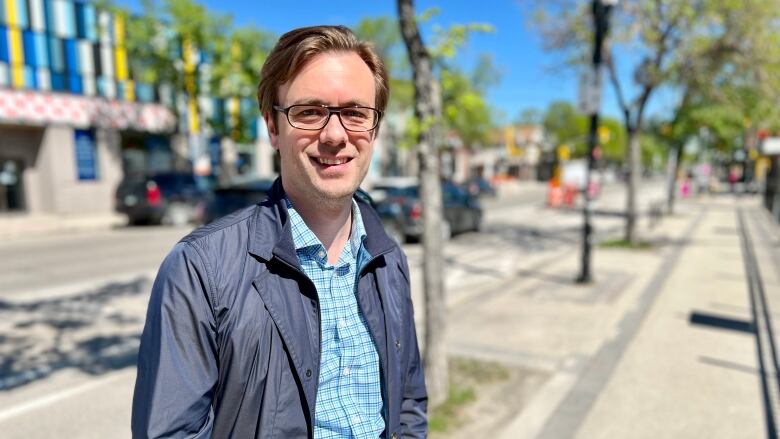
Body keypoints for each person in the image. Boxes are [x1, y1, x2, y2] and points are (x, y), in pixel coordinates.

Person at [131, 25, 428, 438]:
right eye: (309, 112)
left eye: (356, 113)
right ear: (273, 126)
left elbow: (409, 401)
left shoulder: (388, 258)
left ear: (374, 129)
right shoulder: (199, 270)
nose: (335, 135)